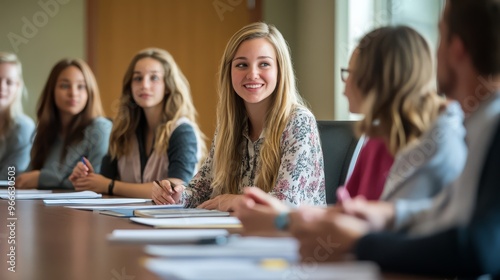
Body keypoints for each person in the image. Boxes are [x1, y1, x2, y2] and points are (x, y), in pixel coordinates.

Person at [269, 0, 500, 277]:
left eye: (440, 36)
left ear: (457, 48)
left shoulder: (477, 131)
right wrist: (388, 214)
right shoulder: (477, 125)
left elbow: (475, 249)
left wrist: (359, 242)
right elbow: (445, 214)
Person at [236, 25, 467, 232]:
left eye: (350, 74)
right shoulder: (377, 139)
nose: (344, 87)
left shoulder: (437, 142)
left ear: (377, 80)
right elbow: (347, 216)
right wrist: (283, 217)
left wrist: (285, 220)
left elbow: (374, 230)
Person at [152, 22, 326, 210]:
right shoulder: (230, 125)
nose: (252, 74)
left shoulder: (298, 121)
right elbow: (201, 190)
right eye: (242, 65)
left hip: (291, 237)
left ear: (280, 70)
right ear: (229, 72)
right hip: (240, 232)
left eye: (264, 64)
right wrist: (175, 195)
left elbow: (287, 203)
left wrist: (236, 200)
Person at [69, 48, 206, 198]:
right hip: (124, 218)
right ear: (130, 86)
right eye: (138, 78)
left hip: (169, 220)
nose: (144, 85)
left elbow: (176, 189)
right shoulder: (123, 130)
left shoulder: (182, 131)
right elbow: (105, 183)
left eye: (154, 78)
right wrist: (88, 180)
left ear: (168, 86)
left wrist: (109, 185)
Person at [16, 59, 112, 189]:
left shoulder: (100, 128)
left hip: (81, 209)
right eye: (65, 86)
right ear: (52, 91)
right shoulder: (44, 130)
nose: (73, 93)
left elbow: (95, 182)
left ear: (90, 92)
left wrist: (43, 178)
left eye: (81, 86)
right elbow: (27, 178)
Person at [0, 52, 35, 179]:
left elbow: (9, 177)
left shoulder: (24, 127)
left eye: (9, 82)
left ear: (18, 86)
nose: (2, 87)